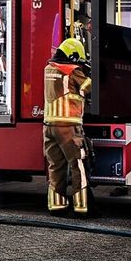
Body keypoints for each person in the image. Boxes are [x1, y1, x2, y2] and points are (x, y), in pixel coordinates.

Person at [43, 38, 93, 216]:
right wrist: (87, 72)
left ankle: (57, 206)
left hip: (49, 126)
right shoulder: (72, 70)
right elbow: (89, 87)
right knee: (78, 164)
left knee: (55, 165)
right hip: (68, 126)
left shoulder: (48, 68)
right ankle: (82, 207)